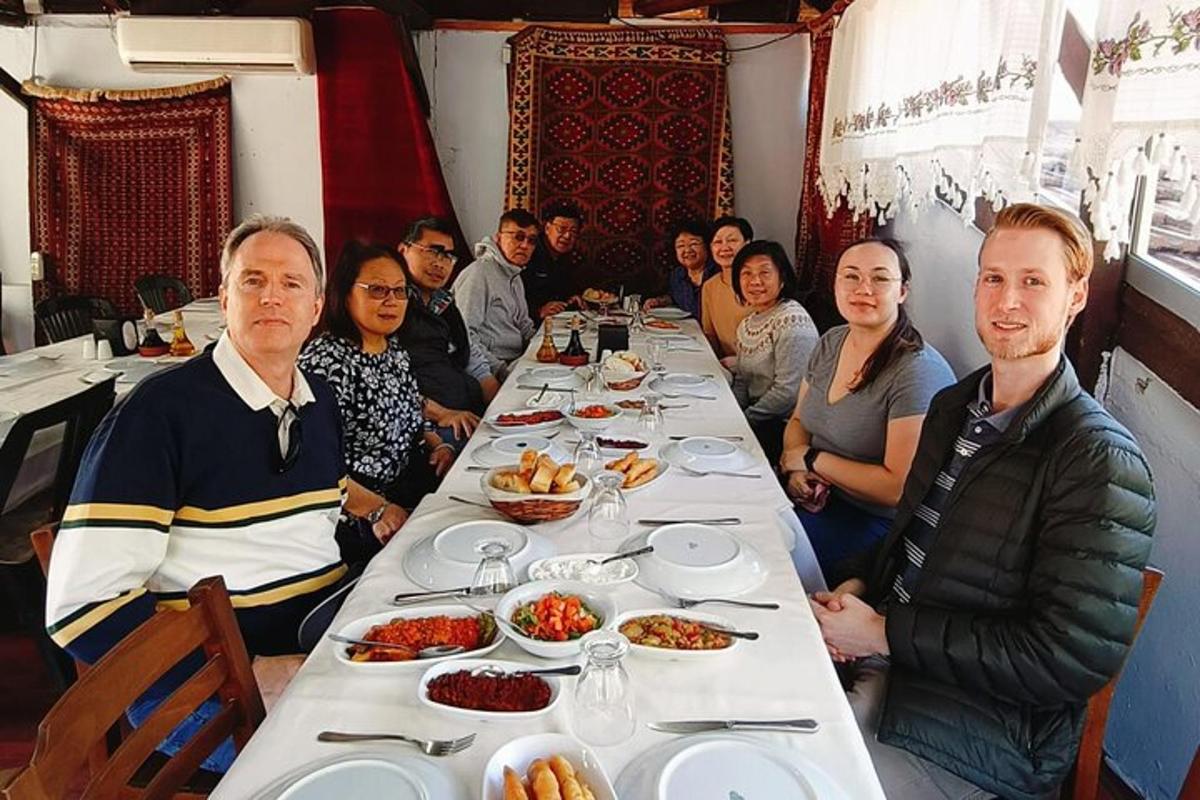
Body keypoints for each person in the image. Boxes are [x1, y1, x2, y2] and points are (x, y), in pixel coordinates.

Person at [809, 204, 1156, 800]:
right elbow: (910, 543)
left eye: (1033, 281)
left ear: (1076, 296)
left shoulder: (1096, 460)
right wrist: (858, 590)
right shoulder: (955, 407)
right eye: (993, 278)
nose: (1007, 301)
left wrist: (886, 634)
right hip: (891, 667)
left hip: (977, 735)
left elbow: (1066, 659)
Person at [44, 215, 347, 772]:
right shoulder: (157, 416)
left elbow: (314, 529)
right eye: (253, 280)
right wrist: (242, 672)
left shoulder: (318, 402)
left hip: (318, 642)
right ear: (224, 297)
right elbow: (80, 607)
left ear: (316, 308)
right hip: (202, 686)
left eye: (292, 283)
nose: (272, 297)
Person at [779, 238, 954, 586]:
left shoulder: (916, 370)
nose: (863, 289)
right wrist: (796, 472)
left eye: (880, 279)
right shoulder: (831, 341)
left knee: (764, 561)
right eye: (851, 276)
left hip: (875, 524)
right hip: (819, 498)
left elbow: (897, 488)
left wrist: (811, 459)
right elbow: (799, 420)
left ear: (902, 291)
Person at [299, 240, 456, 567]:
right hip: (353, 517)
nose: (392, 301)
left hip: (404, 486)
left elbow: (409, 410)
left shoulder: (392, 349)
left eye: (400, 291)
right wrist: (377, 509)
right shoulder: (327, 363)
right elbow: (313, 463)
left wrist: (436, 443)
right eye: (377, 290)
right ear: (344, 294)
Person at [396, 217, 501, 433]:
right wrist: (441, 415)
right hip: (429, 424)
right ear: (403, 250)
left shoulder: (444, 303)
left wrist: (501, 410)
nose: (440, 263)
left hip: (466, 411)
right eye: (433, 252)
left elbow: (473, 360)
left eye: (448, 256)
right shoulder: (393, 306)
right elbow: (389, 382)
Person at [729, 240, 818, 465]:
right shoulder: (747, 323)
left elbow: (788, 393)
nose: (755, 281)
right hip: (759, 417)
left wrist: (744, 421)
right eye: (746, 273)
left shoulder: (792, 320)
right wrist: (733, 413)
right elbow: (741, 379)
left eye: (765, 273)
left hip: (786, 427)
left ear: (782, 279)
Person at [452, 209, 540, 377]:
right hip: (494, 368)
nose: (525, 245)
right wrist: (499, 370)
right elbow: (464, 335)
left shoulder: (514, 273)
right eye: (518, 237)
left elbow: (523, 324)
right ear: (498, 238)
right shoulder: (479, 274)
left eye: (532, 240)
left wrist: (542, 345)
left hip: (518, 360)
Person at [701, 215, 754, 363]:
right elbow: (710, 334)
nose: (724, 247)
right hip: (726, 367)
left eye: (732, 241)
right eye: (717, 242)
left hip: (757, 369)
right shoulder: (709, 286)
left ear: (747, 244)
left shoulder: (758, 285)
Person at [642, 218, 718, 319]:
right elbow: (673, 296)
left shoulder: (718, 274)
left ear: (707, 246)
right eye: (680, 245)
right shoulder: (677, 274)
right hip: (688, 330)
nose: (687, 250)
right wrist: (658, 301)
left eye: (694, 244)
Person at [524, 201, 586, 319]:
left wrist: (572, 297)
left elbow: (565, 288)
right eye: (561, 229)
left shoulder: (565, 256)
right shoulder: (528, 252)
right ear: (547, 228)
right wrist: (537, 311)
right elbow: (510, 298)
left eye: (573, 231)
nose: (567, 236)